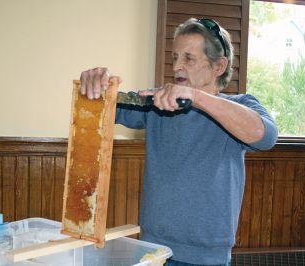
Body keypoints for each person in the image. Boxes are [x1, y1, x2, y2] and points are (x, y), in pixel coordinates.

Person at [79, 18, 278, 266]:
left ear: (218, 66)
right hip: (153, 251)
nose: (176, 67)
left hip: (206, 259)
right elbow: (100, 107)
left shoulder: (240, 105)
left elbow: (266, 136)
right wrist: (93, 84)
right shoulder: (158, 101)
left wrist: (196, 97)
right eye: (175, 58)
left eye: (189, 58)